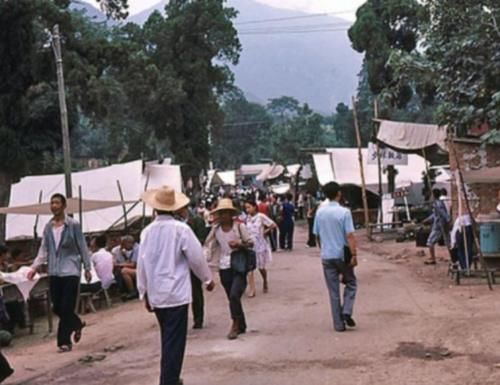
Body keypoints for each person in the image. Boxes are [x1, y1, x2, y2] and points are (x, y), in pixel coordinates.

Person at [137, 186, 215, 385]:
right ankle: (169, 380)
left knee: (167, 337)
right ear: (174, 208)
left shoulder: (147, 232)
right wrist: (207, 278)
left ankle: (171, 377)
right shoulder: (181, 230)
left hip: (157, 293)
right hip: (176, 293)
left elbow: (142, 263)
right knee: (175, 341)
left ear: (155, 209)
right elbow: (196, 258)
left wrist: (143, 291)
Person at [28, 193, 91, 352]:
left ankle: (64, 341)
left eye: (57, 203)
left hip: (70, 269)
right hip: (54, 271)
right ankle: (76, 323)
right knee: (56, 306)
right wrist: (34, 267)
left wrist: (87, 268)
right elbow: (44, 249)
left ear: (63, 206)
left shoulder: (73, 225)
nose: (54, 206)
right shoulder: (48, 227)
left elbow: (82, 246)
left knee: (66, 306)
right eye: (52, 203)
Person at [206, 198, 254, 340]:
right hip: (223, 266)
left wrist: (239, 244)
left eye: (226, 213)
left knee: (234, 295)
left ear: (231, 214)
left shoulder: (239, 227)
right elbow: (209, 245)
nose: (224, 216)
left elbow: (250, 243)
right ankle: (241, 323)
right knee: (231, 298)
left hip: (238, 265)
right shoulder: (215, 230)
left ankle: (235, 324)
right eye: (222, 213)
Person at [313, 182, 358, 332]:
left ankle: (338, 324)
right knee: (351, 282)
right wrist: (354, 254)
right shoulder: (344, 212)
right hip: (342, 255)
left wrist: (323, 249)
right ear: (338, 193)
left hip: (327, 255)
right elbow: (350, 235)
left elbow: (317, 235)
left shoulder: (319, 212)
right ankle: (346, 311)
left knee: (333, 291)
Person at [176, 204, 210, 329]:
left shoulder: (197, 220)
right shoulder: (175, 222)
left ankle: (198, 318)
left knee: (195, 290)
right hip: (178, 262)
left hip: (192, 259)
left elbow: (201, 239)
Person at [244, 200, 277, 297]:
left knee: (261, 267)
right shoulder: (247, 219)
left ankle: (265, 280)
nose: (247, 210)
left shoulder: (261, 217)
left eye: (249, 207)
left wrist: (265, 232)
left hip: (260, 245)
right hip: (250, 244)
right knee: (249, 268)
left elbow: (273, 225)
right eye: (246, 208)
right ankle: (251, 289)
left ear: (254, 207)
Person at [423, 188, 450, 265]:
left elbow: (442, 213)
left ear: (433, 195)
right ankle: (453, 257)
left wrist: (447, 219)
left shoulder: (437, 204)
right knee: (448, 242)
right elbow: (435, 215)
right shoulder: (437, 203)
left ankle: (432, 258)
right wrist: (427, 220)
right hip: (440, 224)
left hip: (439, 225)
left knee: (430, 241)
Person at [112, 235, 139, 300]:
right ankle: (123, 292)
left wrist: (119, 265)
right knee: (118, 271)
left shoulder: (137, 249)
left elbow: (133, 264)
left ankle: (132, 292)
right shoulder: (125, 250)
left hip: (141, 270)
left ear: (129, 243)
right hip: (134, 269)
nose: (122, 247)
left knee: (124, 271)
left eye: (123, 244)